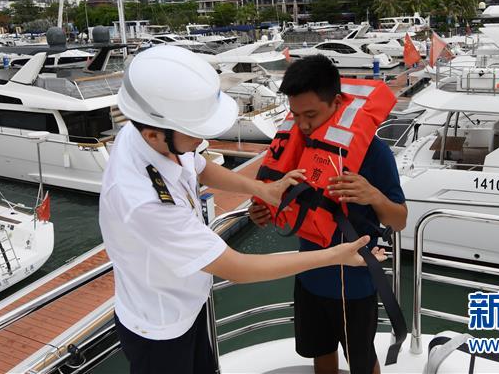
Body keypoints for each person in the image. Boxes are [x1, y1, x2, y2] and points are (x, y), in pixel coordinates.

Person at [99, 46, 386, 374]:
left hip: (188, 307)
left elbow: (199, 167)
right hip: (160, 328)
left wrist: (263, 189)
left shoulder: (150, 134)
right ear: (154, 134)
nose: (203, 139)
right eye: (196, 133)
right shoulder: (143, 201)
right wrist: (335, 256)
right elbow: (237, 268)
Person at [249, 55, 407, 374]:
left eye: (311, 114)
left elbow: (399, 219)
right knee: (320, 353)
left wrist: (372, 194)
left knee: (362, 362)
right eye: (295, 115)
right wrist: (263, 211)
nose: (304, 125)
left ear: (336, 102)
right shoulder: (298, 144)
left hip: (354, 282)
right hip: (309, 275)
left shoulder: (374, 153)